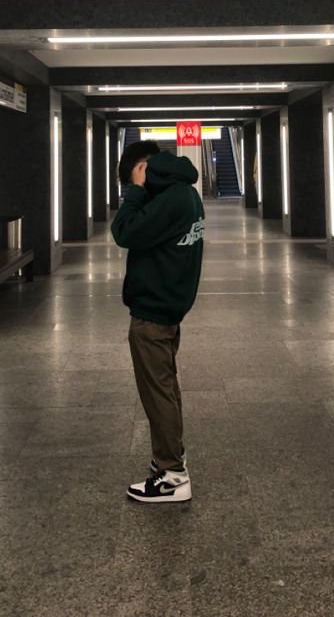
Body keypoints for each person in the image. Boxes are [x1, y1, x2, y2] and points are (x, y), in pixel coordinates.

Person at [111, 140, 205, 504]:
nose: (139, 186)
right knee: (165, 387)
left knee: (158, 392)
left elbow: (124, 232)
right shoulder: (186, 194)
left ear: (143, 166)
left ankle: (172, 475)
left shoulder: (170, 200)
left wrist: (136, 191)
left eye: (136, 176)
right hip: (168, 306)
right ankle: (170, 457)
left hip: (153, 312)